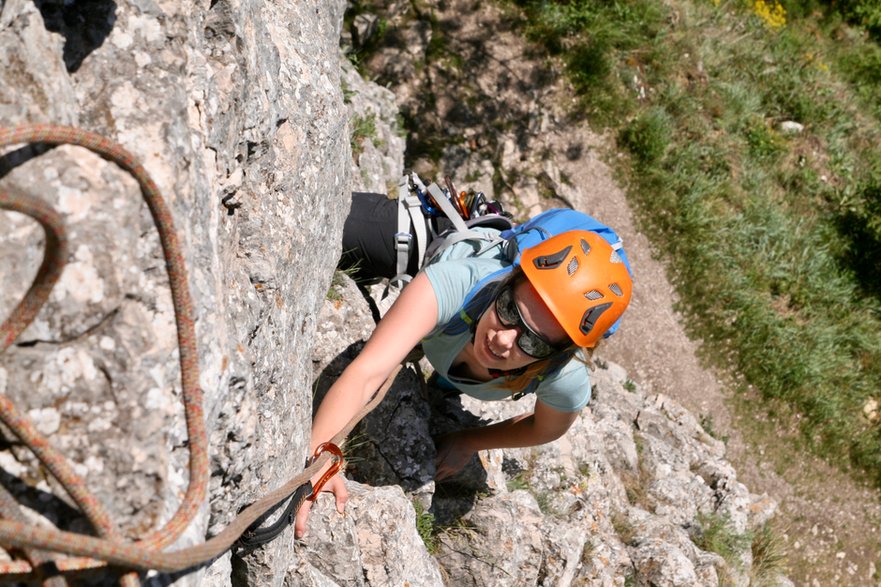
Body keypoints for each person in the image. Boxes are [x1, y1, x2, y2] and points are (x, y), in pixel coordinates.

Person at [294, 189, 633, 539]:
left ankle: (449, 379)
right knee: (315, 214)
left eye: (531, 341)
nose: (503, 339)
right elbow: (367, 373)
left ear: (555, 355)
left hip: (460, 345)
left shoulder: (562, 377)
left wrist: (471, 440)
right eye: (508, 310)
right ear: (505, 284)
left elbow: (544, 429)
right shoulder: (459, 281)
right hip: (435, 246)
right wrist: (321, 460)